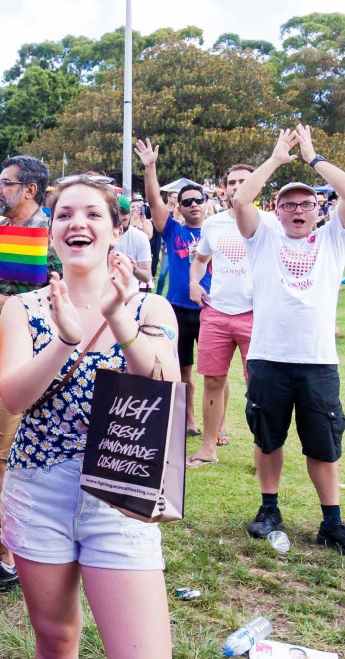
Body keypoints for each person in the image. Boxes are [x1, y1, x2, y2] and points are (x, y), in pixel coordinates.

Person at [0, 176, 178, 659]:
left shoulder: (150, 307)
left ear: (117, 229)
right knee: (55, 640)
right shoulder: (24, 309)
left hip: (122, 491)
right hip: (38, 490)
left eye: (93, 214)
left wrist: (117, 318)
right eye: (64, 215)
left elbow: (163, 381)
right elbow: (13, 398)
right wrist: (62, 341)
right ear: (51, 232)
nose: (77, 223)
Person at [232, 125, 345, 560]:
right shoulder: (262, 240)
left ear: (317, 210)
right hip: (269, 358)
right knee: (267, 438)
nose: (297, 210)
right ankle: (269, 509)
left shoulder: (333, 237)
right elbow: (240, 200)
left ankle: (332, 522)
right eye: (288, 204)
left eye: (305, 204)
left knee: (323, 443)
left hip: (317, 361)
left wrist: (312, 157)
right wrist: (276, 158)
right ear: (276, 211)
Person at [0, 155, 57, 592]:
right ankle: (19, 550)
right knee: (9, 460)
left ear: (29, 190)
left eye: (5, 183)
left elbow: (62, 300)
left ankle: (4, 558)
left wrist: (2, 304)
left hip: (28, 367)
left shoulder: (51, 236)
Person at [187, 164, 282, 467]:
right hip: (216, 312)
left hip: (257, 313)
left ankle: (264, 452)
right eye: (232, 182)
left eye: (244, 181)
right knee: (212, 381)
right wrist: (193, 282)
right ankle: (208, 448)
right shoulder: (213, 224)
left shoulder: (271, 222)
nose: (237, 186)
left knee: (260, 385)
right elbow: (201, 259)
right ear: (224, 188)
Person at [137, 139, 208, 436]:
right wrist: (150, 168)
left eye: (197, 200)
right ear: (179, 207)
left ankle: (220, 427)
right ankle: (188, 419)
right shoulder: (173, 231)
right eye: (186, 201)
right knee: (183, 371)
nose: (192, 205)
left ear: (205, 203)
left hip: (210, 310)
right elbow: (154, 202)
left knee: (215, 374)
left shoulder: (218, 231)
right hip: (177, 310)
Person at [113, 195, 153, 289]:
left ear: (129, 215)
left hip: (130, 296)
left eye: (124, 220)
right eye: (116, 220)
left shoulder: (140, 237)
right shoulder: (99, 235)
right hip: (102, 296)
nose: (120, 225)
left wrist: (135, 269)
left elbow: (146, 277)